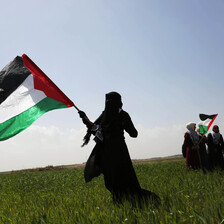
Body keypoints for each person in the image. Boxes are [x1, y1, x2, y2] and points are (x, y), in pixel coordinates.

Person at [78, 91, 160, 207]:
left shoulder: (107, 115)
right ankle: (125, 204)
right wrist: (84, 118)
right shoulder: (121, 115)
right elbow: (133, 133)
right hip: (118, 152)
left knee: (114, 180)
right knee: (122, 179)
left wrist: (86, 119)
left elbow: (94, 129)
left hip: (109, 153)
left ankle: (123, 204)